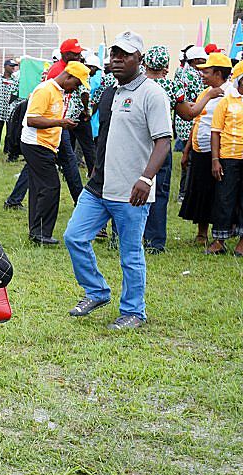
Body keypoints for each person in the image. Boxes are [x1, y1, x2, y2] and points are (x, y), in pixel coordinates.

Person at [63, 31, 171, 330]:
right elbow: (105, 136)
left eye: (125, 55)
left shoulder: (153, 93)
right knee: (74, 236)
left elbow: (163, 142)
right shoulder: (110, 92)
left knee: (130, 253)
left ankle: (134, 312)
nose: (118, 60)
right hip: (99, 187)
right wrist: (96, 169)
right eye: (114, 54)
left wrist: (146, 179)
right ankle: (97, 292)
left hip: (132, 190)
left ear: (140, 59)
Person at [142, 45, 223, 254]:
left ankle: (125, 236)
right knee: (159, 193)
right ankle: (155, 242)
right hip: (160, 144)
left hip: (135, 144)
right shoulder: (170, 86)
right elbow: (189, 113)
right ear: (166, 65)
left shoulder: (135, 84)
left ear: (144, 63)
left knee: (129, 189)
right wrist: (209, 96)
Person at [20, 61, 89, 245]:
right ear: (68, 77)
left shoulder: (58, 92)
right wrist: (60, 123)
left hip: (46, 145)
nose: (76, 89)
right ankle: (42, 233)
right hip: (36, 145)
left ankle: (36, 232)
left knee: (38, 188)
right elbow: (32, 120)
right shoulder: (45, 90)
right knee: (51, 187)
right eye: (77, 84)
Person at [179, 52, 232, 246]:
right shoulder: (206, 92)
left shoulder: (230, 94)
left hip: (218, 153)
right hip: (199, 150)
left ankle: (220, 235)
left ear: (218, 73)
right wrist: (187, 150)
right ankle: (201, 233)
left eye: (206, 72)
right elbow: (197, 120)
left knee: (218, 194)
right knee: (200, 191)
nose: (202, 75)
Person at [206, 61, 243, 256]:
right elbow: (215, 132)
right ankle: (220, 240)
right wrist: (215, 159)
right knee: (224, 197)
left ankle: (242, 243)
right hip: (229, 156)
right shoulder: (227, 101)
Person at [174, 45, 209, 200]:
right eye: (202, 60)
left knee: (187, 155)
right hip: (192, 117)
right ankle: (185, 192)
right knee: (190, 157)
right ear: (195, 60)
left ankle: (184, 192)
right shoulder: (194, 76)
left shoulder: (180, 71)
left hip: (181, 119)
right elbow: (199, 98)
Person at [0, 59, 20, 155]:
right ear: (5, 66)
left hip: (10, 111)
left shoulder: (15, 80)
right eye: (11, 66)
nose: (13, 68)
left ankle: (7, 150)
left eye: (14, 66)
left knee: (9, 132)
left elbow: (16, 94)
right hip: (0, 110)